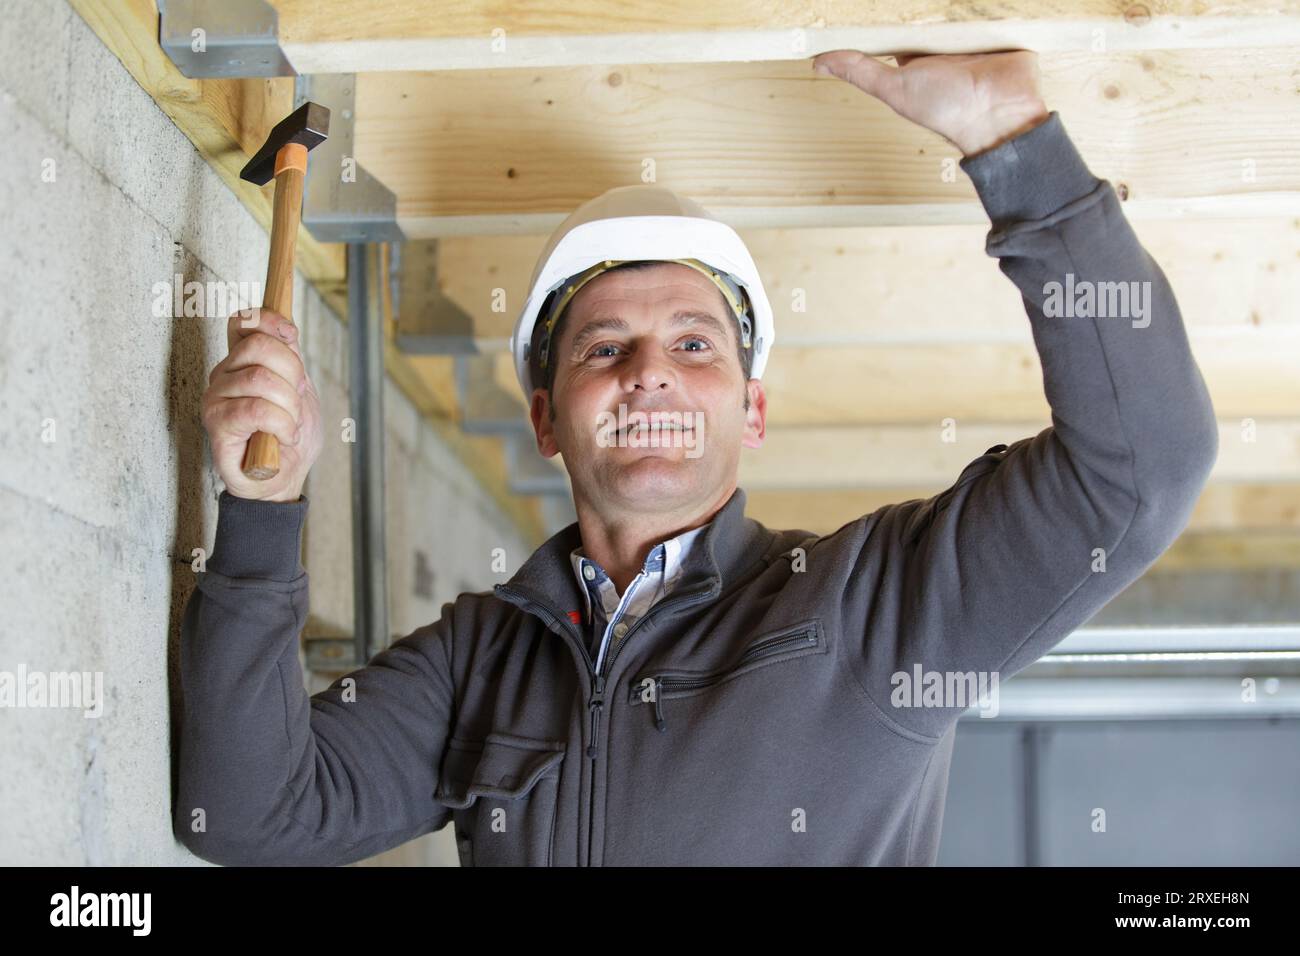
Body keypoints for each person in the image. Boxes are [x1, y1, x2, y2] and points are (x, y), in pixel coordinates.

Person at [177, 49, 1217, 865]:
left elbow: (1140, 468)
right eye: (603, 348)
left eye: (692, 343)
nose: (648, 374)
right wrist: (265, 508)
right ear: (546, 418)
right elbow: (246, 811)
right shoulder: (483, 656)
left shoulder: (872, 605)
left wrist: (1014, 142)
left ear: (751, 409)